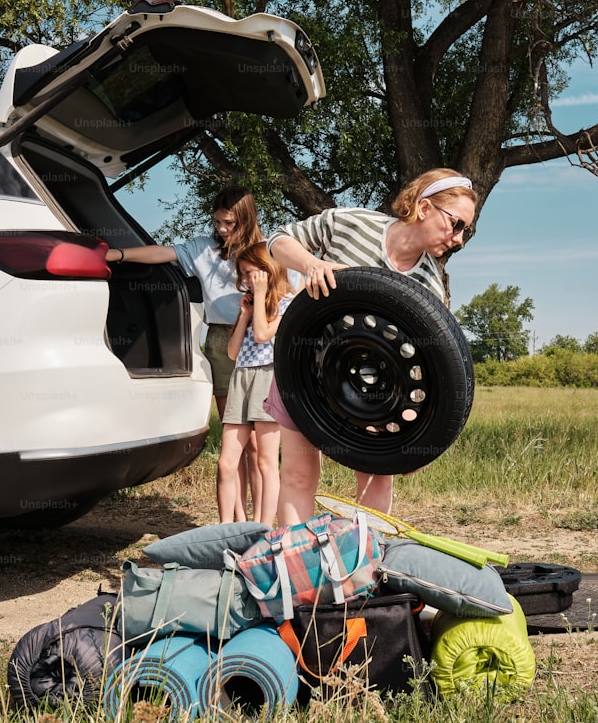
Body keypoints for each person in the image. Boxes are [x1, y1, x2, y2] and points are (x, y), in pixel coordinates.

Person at [262, 167, 477, 525]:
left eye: (464, 232)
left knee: (373, 488)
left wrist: (416, 441)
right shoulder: (351, 222)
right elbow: (278, 240)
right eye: (456, 225)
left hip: (378, 393)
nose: (458, 239)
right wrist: (312, 265)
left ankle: (362, 574)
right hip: (305, 370)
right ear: (424, 208)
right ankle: (295, 569)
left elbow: (429, 367)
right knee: (299, 476)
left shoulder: (429, 285)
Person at [105, 185, 264, 521]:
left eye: (230, 223)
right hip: (222, 340)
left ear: (246, 221)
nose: (222, 229)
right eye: (218, 222)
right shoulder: (203, 249)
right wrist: (119, 255)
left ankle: (260, 521)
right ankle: (237, 521)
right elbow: (161, 253)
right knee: (235, 439)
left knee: (257, 446)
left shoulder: (265, 252)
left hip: (260, 341)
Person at [216, 243, 294, 524]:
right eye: (243, 275)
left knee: (265, 461)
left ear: (268, 270)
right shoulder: (250, 306)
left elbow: (263, 335)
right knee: (226, 462)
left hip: (268, 376)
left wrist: (260, 298)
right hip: (242, 376)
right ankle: (224, 530)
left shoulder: (288, 303)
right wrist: (245, 315)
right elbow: (233, 353)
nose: (246, 280)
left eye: (250, 273)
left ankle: (263, 530)